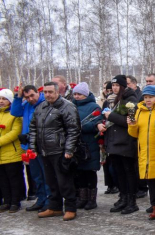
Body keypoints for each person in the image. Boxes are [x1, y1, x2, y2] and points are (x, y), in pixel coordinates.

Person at [28, 82, 80, 221]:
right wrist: (33, 148)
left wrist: (69, 150)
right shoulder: (41, 107)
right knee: (50, 181)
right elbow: (33, 128)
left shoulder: (67, 106)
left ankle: (70, 208)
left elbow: (73, 130)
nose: (47, 95)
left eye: (50, 92)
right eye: (45, 92)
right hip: (44, 150)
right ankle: (55, 206)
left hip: (60, 150)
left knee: (65, 181)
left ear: (57, 92)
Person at [99, 75, 140, 215]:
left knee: (129, 172)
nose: (114, 88)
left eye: (117, 86)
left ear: (124, 86)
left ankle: (131, 201)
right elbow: (102, 116)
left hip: (126, 141)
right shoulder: (110, 100)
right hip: (112, 140)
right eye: (113, 86)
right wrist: (100, 123)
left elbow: (131, 121)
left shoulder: (131, 100)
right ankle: (123, 197)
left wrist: (110, 116)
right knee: (118, 172)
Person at [128, 85, 155, 220]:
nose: (148, 100)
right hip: (145, 153)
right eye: (146, 97)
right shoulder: (139, 111)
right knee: (151, 183)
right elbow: (134, 134)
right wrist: (132, 125)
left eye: (151, 97)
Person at [11, 84, 49, 212]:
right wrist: (18, 97)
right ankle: (41, 199)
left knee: (46, 175)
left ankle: (49, 201)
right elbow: (15, 112)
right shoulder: (27, 105)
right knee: (36, 175)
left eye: (32, 95)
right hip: (29, 146)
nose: (30, 99)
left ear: (38, 92)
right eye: (27, 97)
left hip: (42, 145)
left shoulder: (45, 103)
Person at [71, 82, 101, 211]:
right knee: (79, 172)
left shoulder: (93, 107)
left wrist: (79, 127)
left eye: (80, 94)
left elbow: (96, 123)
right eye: (75, 94)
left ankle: (91, 199)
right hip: (76, 144)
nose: (77, 96)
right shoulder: (71, 106)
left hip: (89, 144)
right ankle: (82, 198)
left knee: (89, 172)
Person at [0, 88, 24, 213]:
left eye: (4, 99)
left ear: (10, 101)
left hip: (12, 153)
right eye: (0, 99)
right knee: (3, 179)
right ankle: (6, 201)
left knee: (14, 179)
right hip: (1, 155)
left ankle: (15, 202)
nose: (1, 101)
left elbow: (14, 133)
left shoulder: (15, 114)